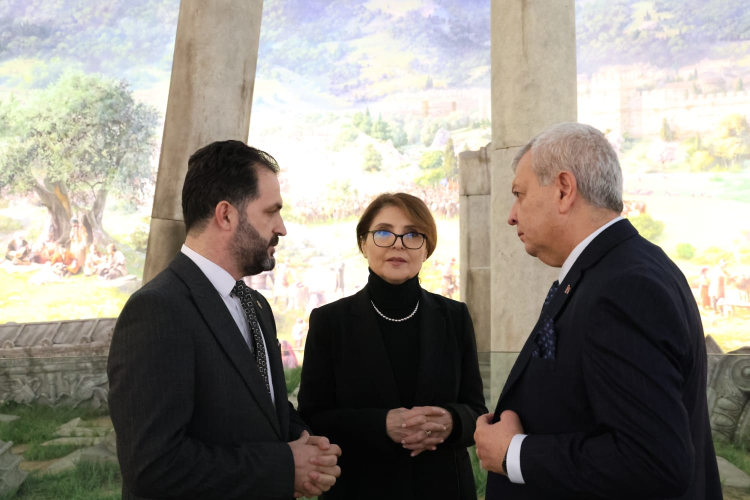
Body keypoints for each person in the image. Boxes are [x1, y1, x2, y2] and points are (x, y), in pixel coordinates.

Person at [474, 123, 721, 499]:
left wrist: (514, 454)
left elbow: (653, 461)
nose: (511, 215)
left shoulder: (624, 288)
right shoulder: (616, 268)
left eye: (520, 195)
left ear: (563, 189)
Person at [108, 140, 341, 500]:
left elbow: (263, 404)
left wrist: (308, 445)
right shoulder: (157, 311)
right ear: (226, 215)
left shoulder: (255, 304)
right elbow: (152, 466)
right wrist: (283, 467)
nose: (281, 228)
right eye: (271, 212)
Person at [298, 192, 487, 499]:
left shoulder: (454, 316)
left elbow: (476, 411)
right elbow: (312, 418)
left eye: (412, 234)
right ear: (363, 243)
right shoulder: (330, 321)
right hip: (361, 488)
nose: (398, 244)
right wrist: (381, 424)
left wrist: (452, 422)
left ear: (426, 248)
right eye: (384, 233)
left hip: (443, 488)